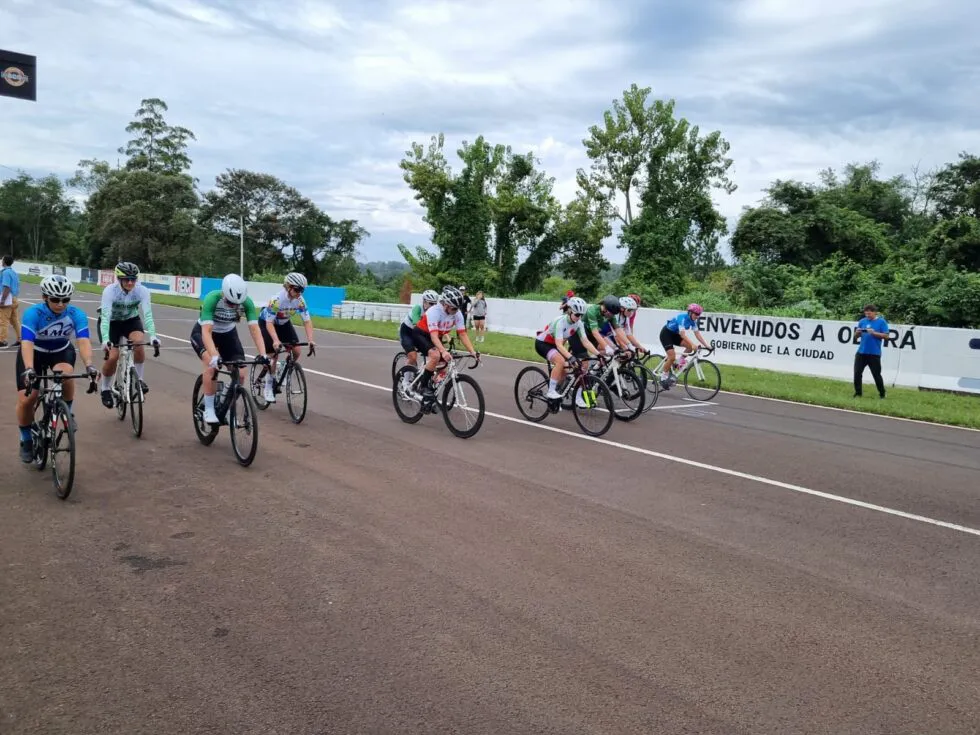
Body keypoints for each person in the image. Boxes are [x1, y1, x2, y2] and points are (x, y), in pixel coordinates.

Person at [15, 275, 98, 462]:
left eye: (65, 300)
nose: (60, 304)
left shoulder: (76, 314)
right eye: (55, 299)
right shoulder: (33, 314)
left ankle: (67, 410)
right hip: (34, 352)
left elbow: (83, 341)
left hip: (60, 350)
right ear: (45, 297)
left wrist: (90, 365)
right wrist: (29, 368)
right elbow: (26, 342)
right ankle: (26, 438)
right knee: (28, 398)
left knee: (67, 375)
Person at [190, 274, 268, 424]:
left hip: (228, 334)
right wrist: (214, 355)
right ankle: (209, 409)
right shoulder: (212, 299)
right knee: (212, 367)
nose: (233, 306)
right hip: (204, 332)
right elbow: (206, 332)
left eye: (236, 304)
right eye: (230, 302)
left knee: (241, 374)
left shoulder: (247, 302)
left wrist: (263, 354)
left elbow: (255, 329)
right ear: (224, 293)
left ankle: (225, 404)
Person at [97, 261, 161, 407]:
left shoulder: (142, 291)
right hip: (111, 322)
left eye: (134, 279)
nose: (131, 282)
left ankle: (139, 380)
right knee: (113, 357)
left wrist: (153, 336)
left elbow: (148, 315)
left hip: (130, 320)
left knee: (139, 343)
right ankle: (105, 388)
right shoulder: (109, 291)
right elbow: (105, 317)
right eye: (127, 279)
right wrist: (106, 339)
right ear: (119, 279)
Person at [257, 272, 316, 403]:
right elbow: (269, 323)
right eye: (297, 289)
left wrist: (310, 339)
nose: (300, 292)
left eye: (302, 290)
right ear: (288, 286)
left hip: (283, 323)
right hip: (268, 323)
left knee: (297, 351)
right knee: (273, 355)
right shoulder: (277, 300)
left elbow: (307, 321)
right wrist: (276, 340)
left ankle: (283, 367)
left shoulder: (300, 301)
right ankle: (268, 386)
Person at [411, 286, 479, 399]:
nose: (456, 311)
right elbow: (433, 336)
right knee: (436, 355)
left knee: (445, 366)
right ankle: (422, 387)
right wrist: (443, 351)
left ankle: (431, 385)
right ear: (446, 305)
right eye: (454, 309)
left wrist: (472, 352)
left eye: (458, 308)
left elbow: (462, 334)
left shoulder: (456, 313)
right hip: (421, 335)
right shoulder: (434, 312)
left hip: (436, 336)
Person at [534, 296, 601, 400]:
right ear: (570, 311)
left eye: (581, 315)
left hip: (555, 345)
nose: (579, 317)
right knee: (560, 362)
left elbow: (585, 341)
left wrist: (598, 354)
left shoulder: (579, 324)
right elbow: (559, 345)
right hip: (543, 344)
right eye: (577, 314)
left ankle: (562, 393)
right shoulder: (560, 322)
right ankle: (551, 391)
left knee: (569, 369)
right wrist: (570, 357)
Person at [659, 303, 711, 388]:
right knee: (672, 357)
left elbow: (697, 334)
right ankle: (663, 377)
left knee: (690, 348)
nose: (698, 316)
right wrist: (693, 344)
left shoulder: (693, 321)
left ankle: (679, 362)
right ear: (690, 312)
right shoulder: (682, 318)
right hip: (666, 334)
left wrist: (707, 345)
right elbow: (682, 335)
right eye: (696, 314)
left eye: (699, 314)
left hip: (675, 335)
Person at [399, 289, 439, 384]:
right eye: (431, 303)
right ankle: (405, 381)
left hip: (420, 333)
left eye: (435, 304)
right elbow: (416, 325)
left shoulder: (434, 312)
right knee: (413, 356)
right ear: (424, 302)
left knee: (434, 354)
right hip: (407, 332)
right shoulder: (418, 308)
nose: (433, 306)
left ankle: (422, 372)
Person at [854, 304, 889, 399]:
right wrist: (857, 333)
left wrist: (873, 332)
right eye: (866, 314)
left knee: (876, 374)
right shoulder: (862, 321)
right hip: (861, 352)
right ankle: (858, 393)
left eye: (869, 314)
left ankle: (882, 393)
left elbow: (886, 336)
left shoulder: (881, 322)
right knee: (857, 373)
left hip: (874, 353)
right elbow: (856, 337)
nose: (868, 316)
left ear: (874, 312)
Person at [0, 254, 21, 348]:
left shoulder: (5, 273)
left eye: (2, 259)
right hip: (14, 298)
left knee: (3, 320)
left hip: (8, 298)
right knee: (15, 320)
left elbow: (6, 286)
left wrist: (2, 300)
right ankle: (20, 339)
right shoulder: (14, 272)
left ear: (4, 261)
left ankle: (2, 340)